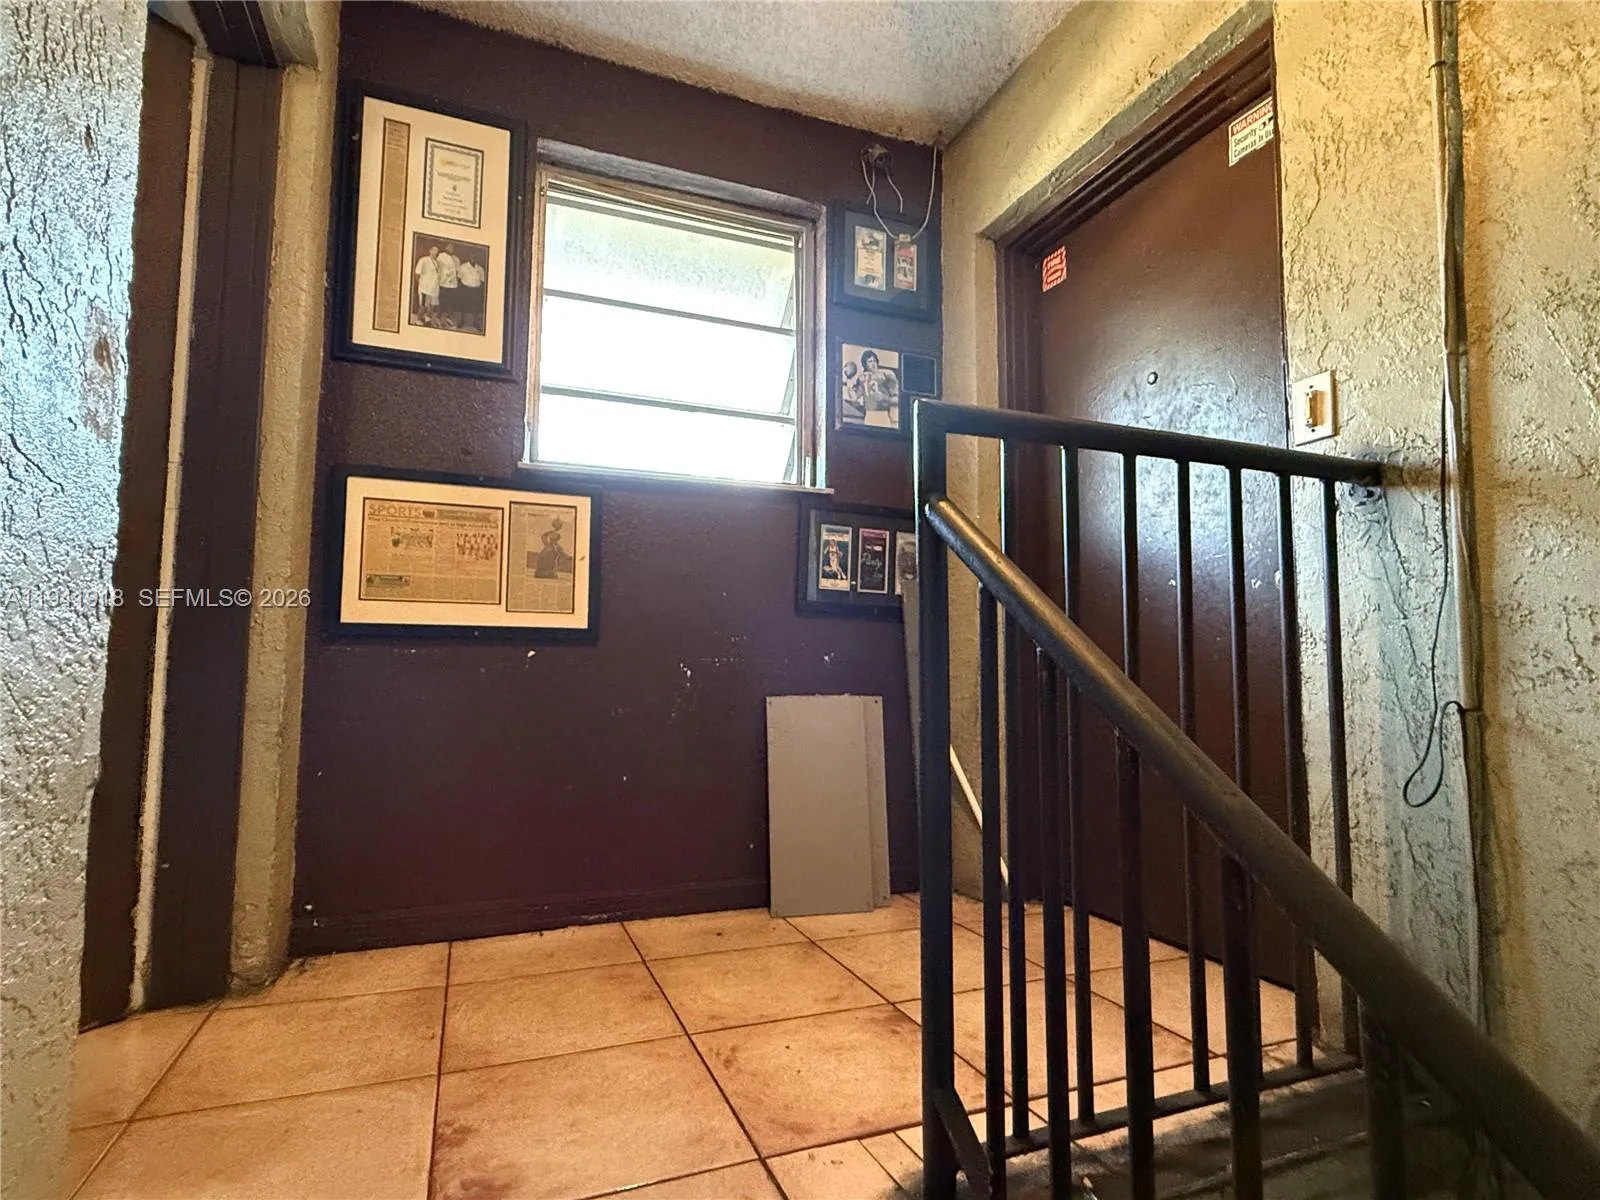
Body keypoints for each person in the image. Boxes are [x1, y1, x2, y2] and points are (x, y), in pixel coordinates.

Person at [859, 350, 900, 426]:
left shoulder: (887, 375)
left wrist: (884, 398)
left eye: (874, 361)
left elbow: (899, 399)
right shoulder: (863, 378)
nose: (873, 364)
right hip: (868, 415)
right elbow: (854, 397)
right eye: (870, 361)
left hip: (883, 414)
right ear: (865, 364)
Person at [457, 256, 485, 332]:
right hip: (466, 289)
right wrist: (461, 290)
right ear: (469, 257)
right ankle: (462, 322)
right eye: (472, 257)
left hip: (476, 290)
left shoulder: (480, 269)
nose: (473, 259)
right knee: (464, 306)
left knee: (475, 308)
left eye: (474, 257)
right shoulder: (463, 266)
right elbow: (459, 278)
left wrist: (479, 290)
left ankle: (475, 323)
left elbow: (482, 281)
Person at [436, 243, 461, 327]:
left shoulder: (456, 259)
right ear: (446, 247)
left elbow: (458, 271)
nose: (451, 248)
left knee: (451, 303)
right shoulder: (441, 256)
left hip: (453, 285)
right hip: (443, 284)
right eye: (449, 246)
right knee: (441, 303)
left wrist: (454, 276)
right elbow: (438, 268)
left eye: (453, 247)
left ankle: (448, 318)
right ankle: (438, 319)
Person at [414, 245, 440, 325]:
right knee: (424, 306)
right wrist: (420, 284)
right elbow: (417, 273)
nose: (435, 252)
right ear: (430, 250)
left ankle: (427, 318)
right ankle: (418, 320)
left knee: (432, 305)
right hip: (425, 288)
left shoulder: (437, 262)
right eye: (434, 250)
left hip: (434, 289)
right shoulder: (423, 260)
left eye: (437, 251)